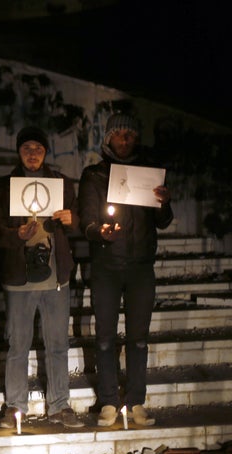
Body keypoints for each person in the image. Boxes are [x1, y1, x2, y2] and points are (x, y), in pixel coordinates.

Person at [78, 113, 173, 427]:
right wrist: (99, 231)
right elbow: (87, 220)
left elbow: (162, 221)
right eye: (118, 134)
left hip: (141, 267)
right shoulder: (93, 175)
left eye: (130, 134)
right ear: (108, 138)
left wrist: (164, 202)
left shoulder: (149, 174)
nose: (125, 139)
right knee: (105, 338)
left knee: (138, 339)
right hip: (106, 266)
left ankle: (135, 402)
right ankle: (107, 401)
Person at [0, 127, 83, 429]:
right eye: (27, 147)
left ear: (45, 152)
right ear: (18, 151)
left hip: (56, 276)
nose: (32, 153)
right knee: (18, 344)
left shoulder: (61, 183)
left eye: (38, 148)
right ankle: (15, 406)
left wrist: (72, 220)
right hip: (19, 276)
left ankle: (60, 405)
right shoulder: (4, 186)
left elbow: (77, 223)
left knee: (57, 343)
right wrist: (15, 235)